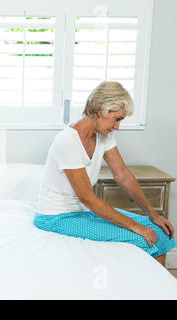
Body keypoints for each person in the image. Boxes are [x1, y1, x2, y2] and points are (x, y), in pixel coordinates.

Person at [34, 81, 176, 266]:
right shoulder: (67, 142)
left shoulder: (104, 135)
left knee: (160, 235)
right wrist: (137, 227)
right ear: (101, 110)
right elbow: (87, 198)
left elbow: (123, 175)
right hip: (56, 217)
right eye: (117, 119)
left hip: (84, 213)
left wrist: (153, 215)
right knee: (144, 240)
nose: (117, 126)